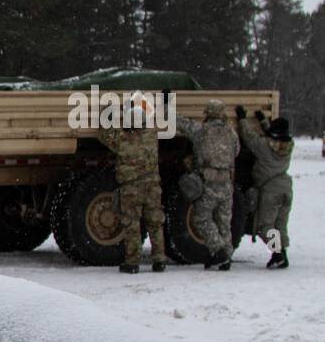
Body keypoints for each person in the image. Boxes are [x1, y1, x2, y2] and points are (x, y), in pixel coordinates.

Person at [175, 100, 240, 270]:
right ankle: (226, 255)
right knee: (224, 221)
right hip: (226, 183)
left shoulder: (201, 131)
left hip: (209, 182)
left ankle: (219, 251)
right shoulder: (231, 133)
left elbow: (180, 124)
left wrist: (166, 106)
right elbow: (237, 150)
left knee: (201, 217)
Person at [98, 117, 166, 274]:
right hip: (152, 189)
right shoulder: (151, 136)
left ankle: (133, 262)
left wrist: (107, 114)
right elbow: (161, 120)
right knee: (155, 224)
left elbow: (104, 135)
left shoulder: (123, 139)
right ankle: (159, 260)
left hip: (131, 190)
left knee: (132, 225)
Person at [235, 106, 294, 268]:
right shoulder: (288, 146)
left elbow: (249, 137)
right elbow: (274, 137)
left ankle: (277, 253)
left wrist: (242, 119)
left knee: (265, 225)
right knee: (280, 224)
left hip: (270, 189)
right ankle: (283, 255)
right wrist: (263, 121)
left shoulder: (263, 146)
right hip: (286, 187)